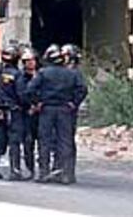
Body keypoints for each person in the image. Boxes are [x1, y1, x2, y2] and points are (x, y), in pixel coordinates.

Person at [26, 44, 87, 184]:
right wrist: (74, 103)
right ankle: (65, 174)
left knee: (44, 141)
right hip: (65, 110)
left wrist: (37, 103)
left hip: (47, 110)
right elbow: (82, 89)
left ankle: (43, 173)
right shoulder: (71, 74)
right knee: (65, 142)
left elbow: (30, 90)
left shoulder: (43, 73)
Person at [0, 44, 24, 181]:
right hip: (13, 110)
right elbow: (21, 93)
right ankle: (14, 171)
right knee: (14, 141)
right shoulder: (17, 74)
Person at [60, 44, 84, 184]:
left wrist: (73, 103)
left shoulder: (75, 73)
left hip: (68, 112)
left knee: (66, 141)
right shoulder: (63, 71)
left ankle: (68, 172)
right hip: (60, 110)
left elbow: (82, 90)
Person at [19, 48, 39, 179]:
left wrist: (39, 105)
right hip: (26, 114)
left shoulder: (41, 75)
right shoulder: (21, 78)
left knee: (44, 143)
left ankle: (44, 169)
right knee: (28, 142)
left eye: (32, 60)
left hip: (41, 113)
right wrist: (30, 106)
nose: (30, 63)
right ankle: (30, 169)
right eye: (27, 61)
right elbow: (21, 94)